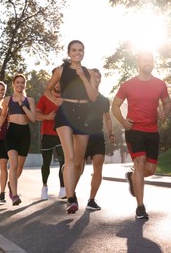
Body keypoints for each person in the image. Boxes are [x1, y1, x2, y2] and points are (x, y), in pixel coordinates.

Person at [111, 51, 171, 220]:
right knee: (140, 162)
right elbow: (115, 106)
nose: (148, 63)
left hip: (152, 131)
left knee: (150, 170)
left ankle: (132, 177)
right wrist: (123, 122)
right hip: (134, 130)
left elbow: (167, 103)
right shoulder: (128, 85)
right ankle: (140, 207)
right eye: (145, 60)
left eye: (151, 60)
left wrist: (165, 112)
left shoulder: (160, 84)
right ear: (138, 63)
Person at [44, 40, 98, 214]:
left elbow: (93, 97)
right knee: (70, 157)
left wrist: (83, 77)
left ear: (84, 52)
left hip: (83, 115)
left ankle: (70, 189)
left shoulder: (89, 72)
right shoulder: (61, 71)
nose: (77, 53)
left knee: (78, 163)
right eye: (74, 50)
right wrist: (54, 100)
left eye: (80, 50)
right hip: (65, 112)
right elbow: (47, 89)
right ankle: (71, 198)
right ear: (69, 53)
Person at [0, 74, 36, 206]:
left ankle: (10, 184)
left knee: (19, 167)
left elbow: (33, 118)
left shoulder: (29, 100)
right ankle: (15, 195)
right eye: (17, 82)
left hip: (24, 134)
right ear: (13, 84)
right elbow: (3, 115)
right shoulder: (7, 100)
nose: (20, 84)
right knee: (13, 164)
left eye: (22, 82)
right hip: (11, 132)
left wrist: (22, 106)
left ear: (25, 84)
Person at [81, 68, 115, 211]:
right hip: (81, 135)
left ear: (100, 79)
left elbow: (107, 118)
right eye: (93, 76)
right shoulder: (82, 96)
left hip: (97, 135)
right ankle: (70, 192)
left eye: (98, 76)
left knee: (98, 166)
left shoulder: (103, 100)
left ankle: (91, 199)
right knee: (78, 168)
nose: (96, 78)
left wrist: (111, 133)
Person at [36, 81, 66, 200]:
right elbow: (36, 115)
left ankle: (63, 188)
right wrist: (47, 117)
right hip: (47, 134)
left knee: (63, 162)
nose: (58, 85)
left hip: (61, 134)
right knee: (46, 162)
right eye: (56, 82)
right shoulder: (44, 98)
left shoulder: (66, 98)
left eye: (60, 82)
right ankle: (44, 187)